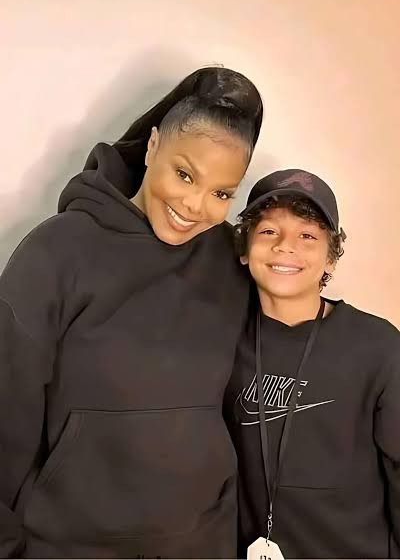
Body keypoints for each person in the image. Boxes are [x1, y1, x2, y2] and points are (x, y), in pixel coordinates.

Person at [0, 67, 263, 558]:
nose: (195, 206)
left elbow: (288, 321)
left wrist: (365, 348)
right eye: (185, 174)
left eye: (222, 193)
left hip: (202, 544)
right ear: (152, 145)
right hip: (69, 547)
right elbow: (5, 409)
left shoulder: (232, 260)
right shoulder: (56, 253)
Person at [225, 169, 400, 559]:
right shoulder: (219, 339)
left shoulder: (378, 347)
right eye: (269, 231)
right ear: (243, 248)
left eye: (308, 236)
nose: (286, 246)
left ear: (330, 259)